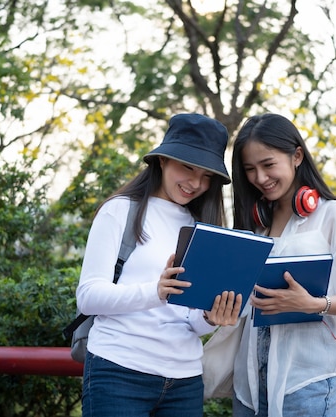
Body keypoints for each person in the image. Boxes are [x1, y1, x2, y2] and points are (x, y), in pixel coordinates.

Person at [76, 113, 243, 417]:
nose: (195, 183)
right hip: (118, 371)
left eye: (206, 176)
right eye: (187, 167)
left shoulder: (201, 228)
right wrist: (157, 291)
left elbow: (190, 321)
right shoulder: (120, 211)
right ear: (163, 160)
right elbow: (88, 297)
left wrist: (211, 316)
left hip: (185, 379)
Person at [230, 113, 336, 417]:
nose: (260, 178)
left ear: (297, 155)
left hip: (306, 384)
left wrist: (314, 304)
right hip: (248, 385)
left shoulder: (334, 216)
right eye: (250, 169)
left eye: (268, 164)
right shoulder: (257, 225)